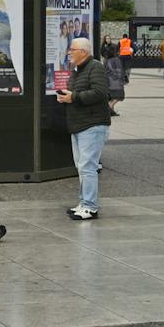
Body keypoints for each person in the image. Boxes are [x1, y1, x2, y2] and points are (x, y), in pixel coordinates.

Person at [55, 36, 111, 221]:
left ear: (83, 52)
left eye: (72, 49)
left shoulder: (95, 67)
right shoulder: (78, 70)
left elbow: (100, 93)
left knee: (87, 167)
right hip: (79, 125)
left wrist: (74, 97)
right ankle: (84, 202)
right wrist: (66, 97)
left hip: (92, 125)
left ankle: (90, 207)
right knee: (82, 167)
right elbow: (76, 93)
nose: (69, 52)